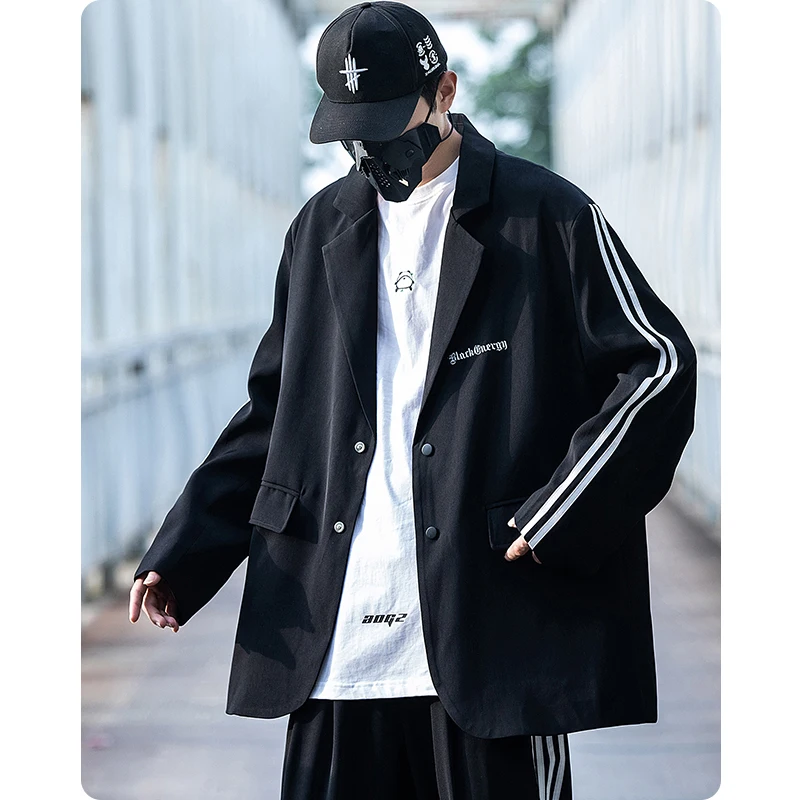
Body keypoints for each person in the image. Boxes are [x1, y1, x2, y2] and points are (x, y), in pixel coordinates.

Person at [129, 2, 698, 798]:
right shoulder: (319, 230)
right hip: (335, 643)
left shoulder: (547, 216)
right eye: (351, 130)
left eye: (388, 122)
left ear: (446, 92)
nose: (370, 149)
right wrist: (187, 550)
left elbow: (659, 365)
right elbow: (277, 414)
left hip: (492, 636)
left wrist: (560, 513)